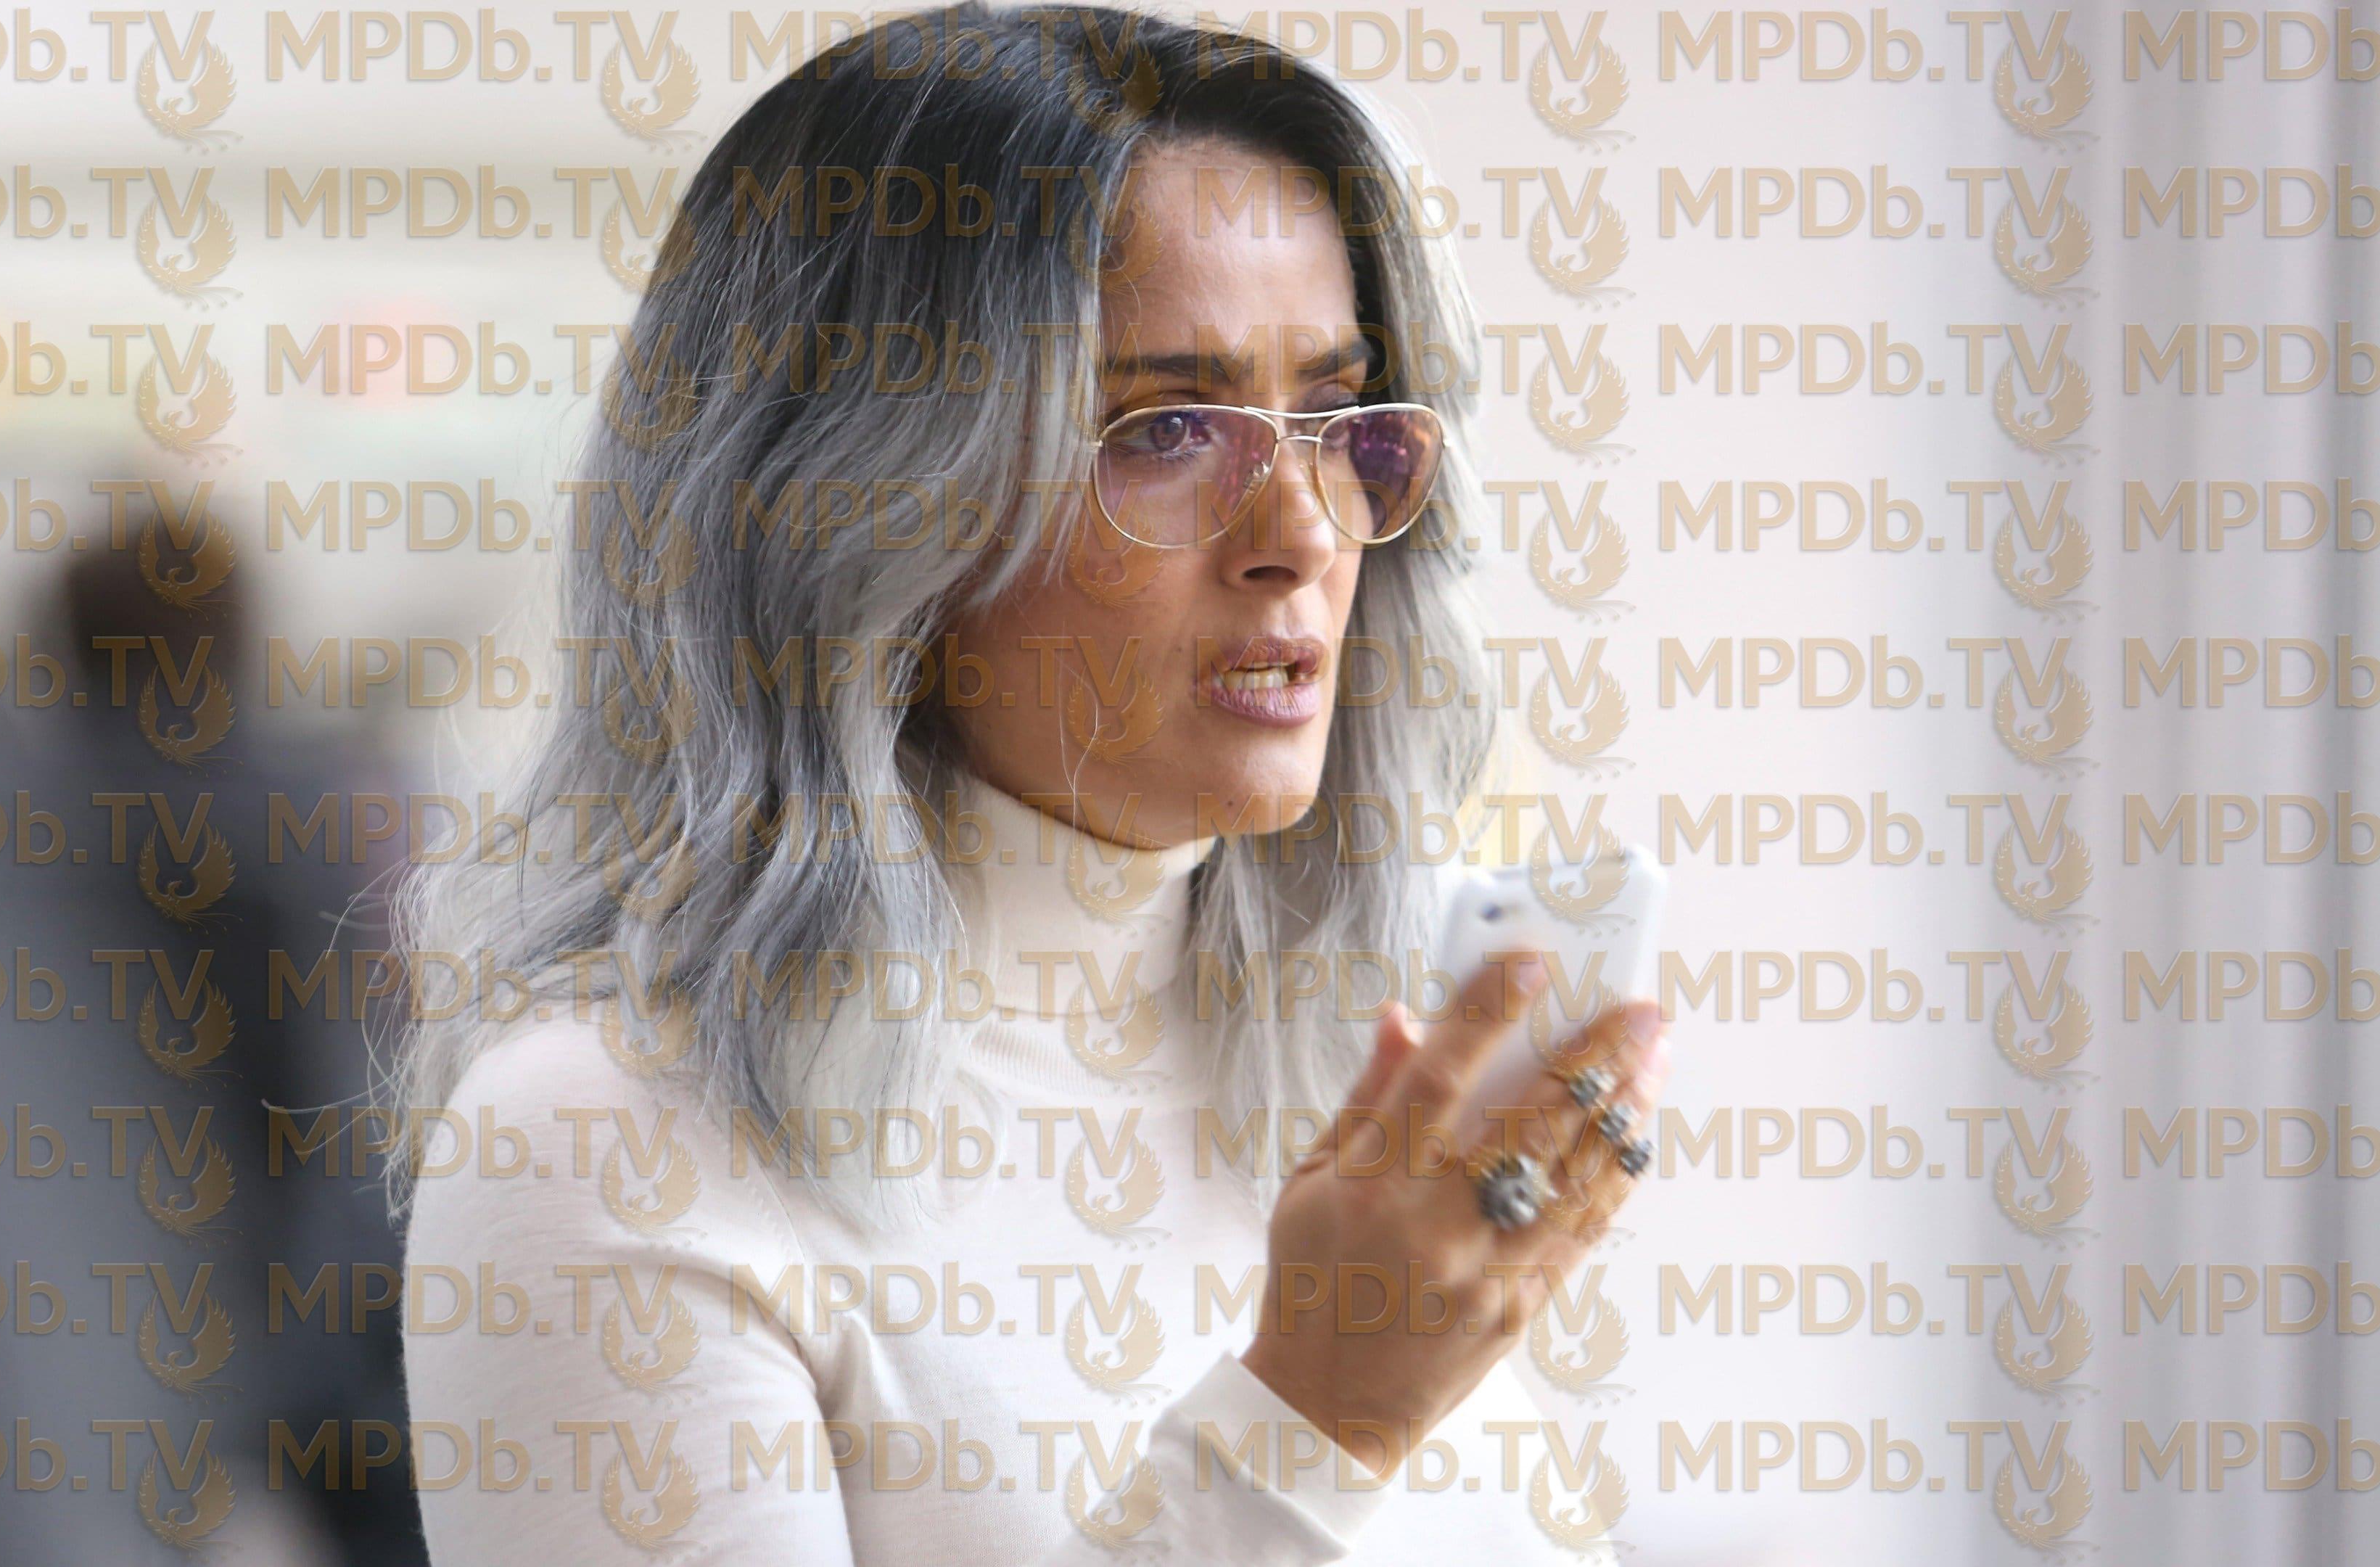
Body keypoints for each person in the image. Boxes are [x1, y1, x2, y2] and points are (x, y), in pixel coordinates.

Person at [392, 7, 1671, 1562]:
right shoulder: (600, 1137)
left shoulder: (1345, 1064)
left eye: (1334, 418)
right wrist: (1312, 1421)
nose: (1300, 534)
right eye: (1165, 428)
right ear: (852, 506)